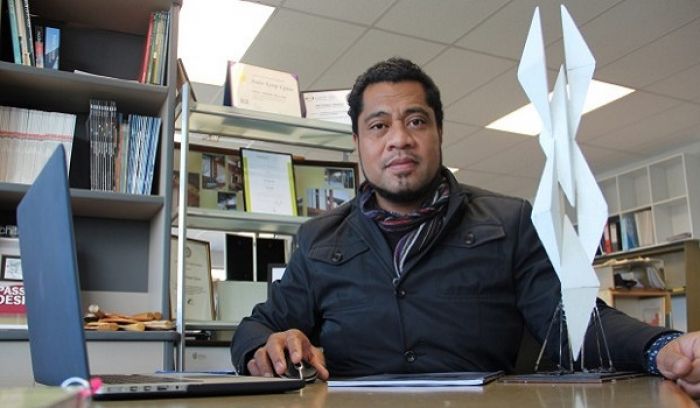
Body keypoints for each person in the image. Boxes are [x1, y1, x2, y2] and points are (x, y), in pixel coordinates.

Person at [231, 57, 700, 397]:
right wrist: (263, 347)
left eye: (416, 120)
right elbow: (257, 327)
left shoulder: (508, 220)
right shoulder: (319, 239)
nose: (399, 138)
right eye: (378, 126)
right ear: (357, 142)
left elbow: (570, 321)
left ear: (439, 132)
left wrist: (661, 346)